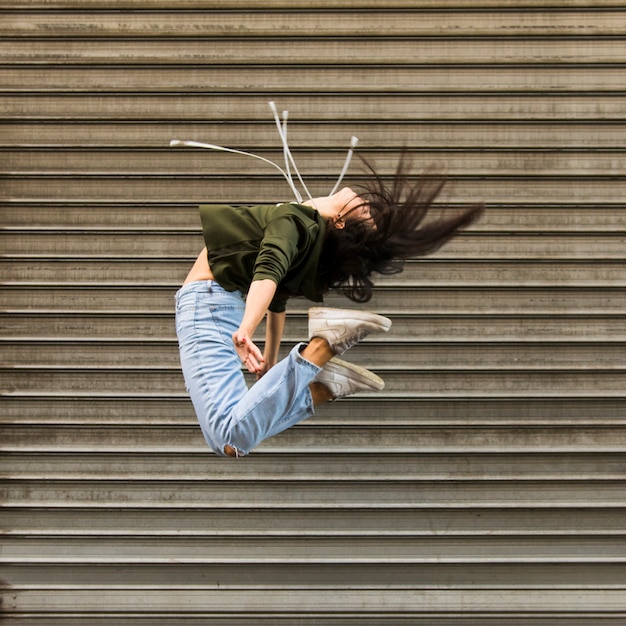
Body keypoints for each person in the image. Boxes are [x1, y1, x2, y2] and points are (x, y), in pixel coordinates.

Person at [175, 154, 483, 458]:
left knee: (229, 437)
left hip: (207, 306)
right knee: (230, 441)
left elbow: (267, 272)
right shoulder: (302, 232)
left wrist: (245, 330)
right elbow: (277, 299)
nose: (357, 197)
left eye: (361, 207)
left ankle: (322, 347)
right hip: (220, 306)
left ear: (338, 221)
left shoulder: (292, 219)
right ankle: (321, 388)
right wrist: (268, 363)